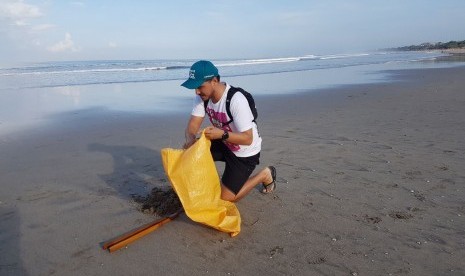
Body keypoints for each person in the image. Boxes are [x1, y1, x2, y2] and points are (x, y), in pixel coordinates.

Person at [181, 60, 276, 202]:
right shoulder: (202, 97)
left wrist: (222, 134)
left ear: (214, 81)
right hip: (224, 142)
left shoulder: (235, 99)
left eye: (200, 86)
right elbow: (192, 125)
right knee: (189, 153)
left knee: (225, 199)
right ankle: (208, 186)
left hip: (245, 152)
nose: (197, 91)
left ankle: (264, 174)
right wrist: (190, 140)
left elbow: (247, 138)